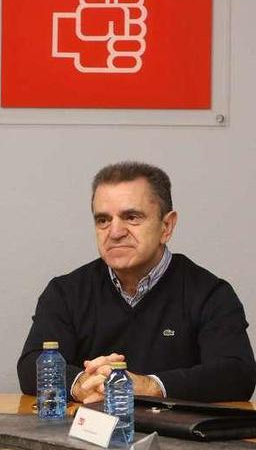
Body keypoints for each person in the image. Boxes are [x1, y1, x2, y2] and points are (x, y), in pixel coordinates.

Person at [18, 161, 256, 402]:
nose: (115, 232)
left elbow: (237, 373)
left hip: (176, 438)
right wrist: (82, 384)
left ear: (167, 226)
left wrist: (149, 386)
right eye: (103, 220)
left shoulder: (210, 294)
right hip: (84, 436)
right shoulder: (65, 292)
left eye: (131, 217)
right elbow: (31, 365)